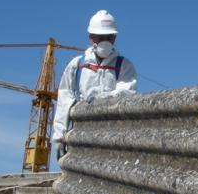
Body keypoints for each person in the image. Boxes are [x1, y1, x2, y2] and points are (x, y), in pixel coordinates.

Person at [52, 10, 137, 159]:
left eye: (109, 37)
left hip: (112, 137)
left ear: (115, 37)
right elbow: (64, 100)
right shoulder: (77, 65)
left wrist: (101, 99)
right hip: (80, 135)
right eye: (101, 36)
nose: (105, 41)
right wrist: (59, 137)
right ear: (91, 37)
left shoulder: (124, 66)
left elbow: (127, 93)